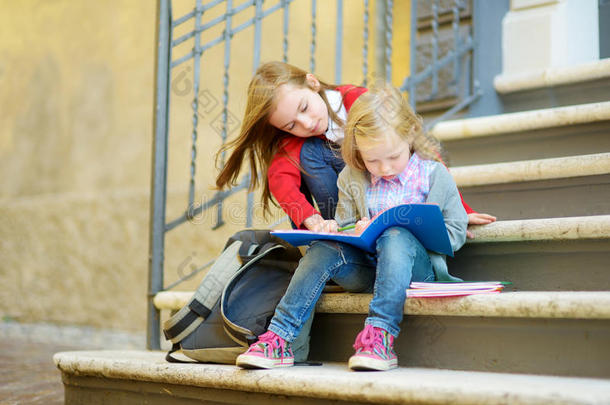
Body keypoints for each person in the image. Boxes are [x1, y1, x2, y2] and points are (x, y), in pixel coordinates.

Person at [235, 84, 469, 371]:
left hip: (412, 270)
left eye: (393, 157)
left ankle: (379, 337)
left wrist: (411, 228)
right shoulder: (351, 177)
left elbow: (456, 234)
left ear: (409, 136)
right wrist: (345, 229)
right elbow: (346, 223)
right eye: (372, 160)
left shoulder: (434, 175)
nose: (384, 168)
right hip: (368, 271)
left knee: (395, 234)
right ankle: (278, 338)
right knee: (324, 248)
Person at [215, 61, 495, 236]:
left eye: (304, 108)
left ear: (312, 84)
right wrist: (311, 219)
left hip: (391, 198)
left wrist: (457, 209)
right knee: (308, 151)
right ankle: (336, 237)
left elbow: (423, 155)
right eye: (290, 125)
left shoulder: (357, 102)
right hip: (344, 215)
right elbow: (280, 180)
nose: (306, 123)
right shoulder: (300, 140)